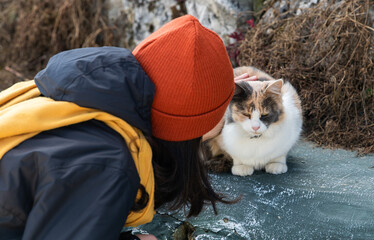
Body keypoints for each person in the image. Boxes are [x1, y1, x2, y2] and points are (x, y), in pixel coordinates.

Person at [0, 15, 255, 240]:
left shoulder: (77, 95)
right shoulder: (106, 167)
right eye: (223, 105)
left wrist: (207, 90)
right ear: (192, 128)